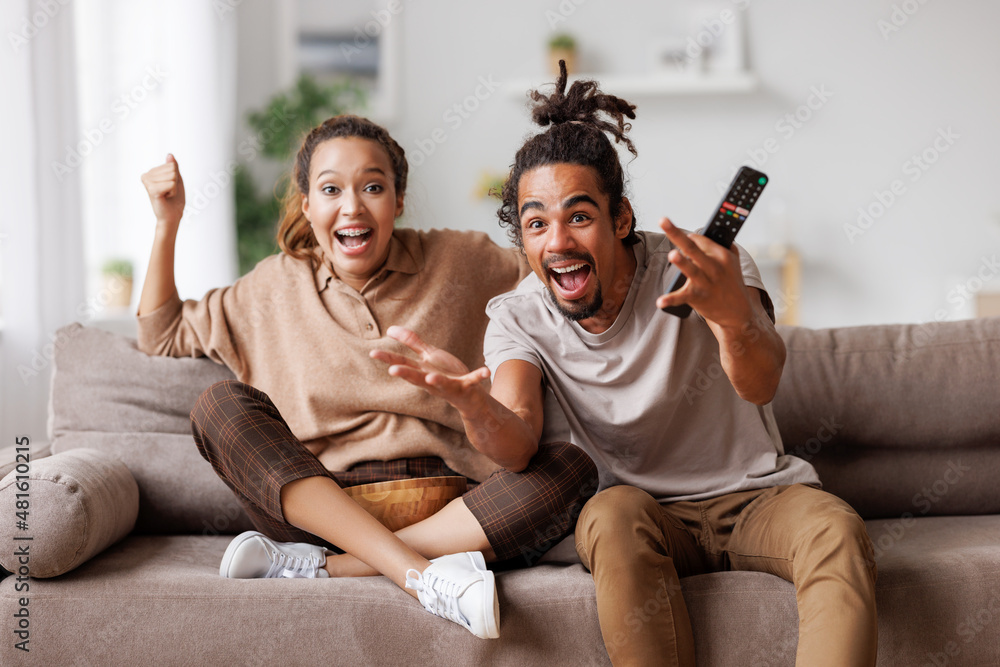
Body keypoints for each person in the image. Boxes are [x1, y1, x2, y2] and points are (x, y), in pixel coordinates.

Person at [377, 65, 878, 665]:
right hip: (641, 516)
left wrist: (732, 315)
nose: (557, 240)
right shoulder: (518, 317)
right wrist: (473, 405)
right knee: (609, 514)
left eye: (579, 216)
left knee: (835, 528)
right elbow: (516, 445)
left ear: (620, 218)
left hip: (756, 499)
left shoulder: (707, 265)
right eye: (536, 223)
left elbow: (761, 380)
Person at [136, 114, 598, 640]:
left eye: (373, 187)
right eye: (331, 189)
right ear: (307, 205)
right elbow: (162, 333)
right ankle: (424, 575)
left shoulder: (463, 259)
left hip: (457, 508)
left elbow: (563, 262)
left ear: (398, 200)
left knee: (571, 469)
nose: (352, 206)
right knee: (218, 405)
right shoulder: (270, 286)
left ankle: (325, 569)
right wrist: (166, 222)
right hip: (316, 513)